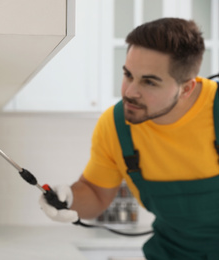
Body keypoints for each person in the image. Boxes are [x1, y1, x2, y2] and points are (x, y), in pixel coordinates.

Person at [39, 17, 219, 260]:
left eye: (149, 82)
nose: (130, 92)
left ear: (186, 88)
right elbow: (96, 194)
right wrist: (69, 198)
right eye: (128, 75)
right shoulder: (115, 125)